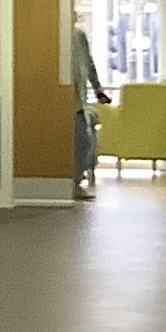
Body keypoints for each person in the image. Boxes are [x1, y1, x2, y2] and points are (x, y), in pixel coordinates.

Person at [71, 21, 111, 199]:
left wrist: (98, 89)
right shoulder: (52, 36)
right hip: (59, 98)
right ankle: (70, 183)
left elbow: (88, 63)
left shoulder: (78, 35)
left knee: (85, 143)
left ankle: (75, 182)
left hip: (77, 99)